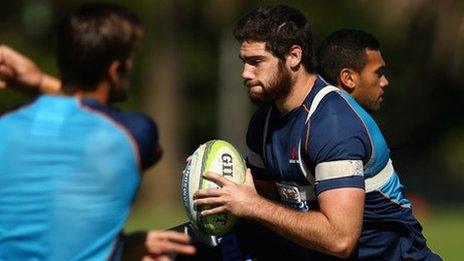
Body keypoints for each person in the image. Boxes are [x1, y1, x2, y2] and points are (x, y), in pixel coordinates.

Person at [193, 5, 441, 260]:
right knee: (181, 248)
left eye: (256, 62)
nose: (246, 73)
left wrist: (251, 205)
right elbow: (262, 205)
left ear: (294, 56)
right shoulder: (262, 124)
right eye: (244, 62)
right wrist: (207, 180)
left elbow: (340, 239)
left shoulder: (333, 124)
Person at [0, 4, 195, 261]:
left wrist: (41, 83)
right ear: (115, 71)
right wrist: (41, 82)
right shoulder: (135, 133)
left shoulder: (6, 125)